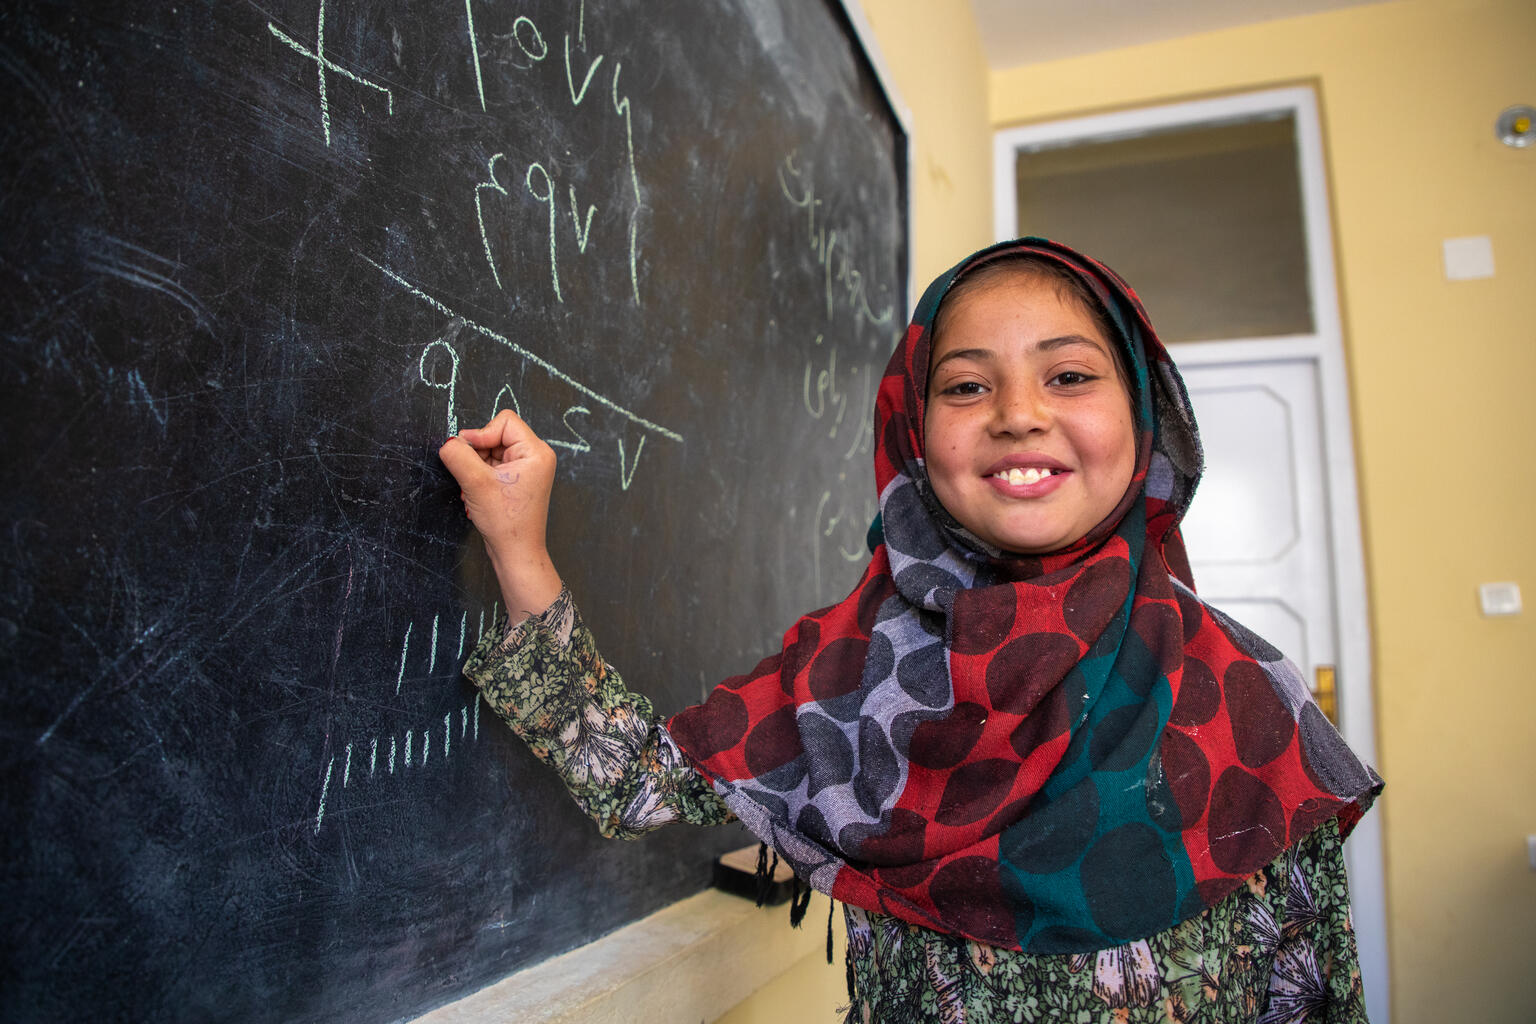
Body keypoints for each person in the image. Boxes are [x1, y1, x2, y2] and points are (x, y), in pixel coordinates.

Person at [439, 238, 1382, 1023]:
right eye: (967, 387)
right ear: (912, 432)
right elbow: (633, 780)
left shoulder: (1250, 697)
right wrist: (519, 547)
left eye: (1069, 374)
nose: (1019, 414)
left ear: (1142, 413)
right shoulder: (847, 676)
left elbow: (1319, 994)